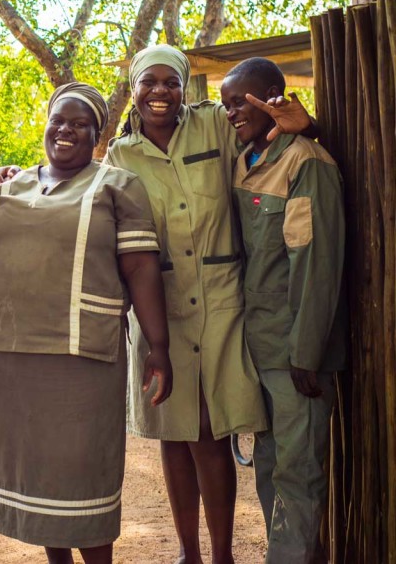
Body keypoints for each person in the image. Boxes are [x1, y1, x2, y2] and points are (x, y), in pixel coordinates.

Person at [104, 44, 313, 564]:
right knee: (171, 433)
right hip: (159, 310)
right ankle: (188, 552)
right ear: (133, 87)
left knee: (210, 428)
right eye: (148, 82)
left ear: (183, 87)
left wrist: (305, 124)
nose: (160, 92)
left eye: (170, 82)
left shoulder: (214, 125)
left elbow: (269, 133)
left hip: (221, 301)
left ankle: (221, 554)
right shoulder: (120, 156)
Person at [0, 82, 173, 564]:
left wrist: (158, 346)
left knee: (83, 474)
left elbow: (141, 267)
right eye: (58, 121)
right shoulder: (13, 184)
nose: (66, 130)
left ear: (96, 136)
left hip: (82, 356)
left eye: (80, 124)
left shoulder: (117, 186)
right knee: (40, 474)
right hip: (13, 356)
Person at [223, 58, 345, 564]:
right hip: (260, 348)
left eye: (241, 100)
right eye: (226, 103)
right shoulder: (245, 158)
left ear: (273, 96)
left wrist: (306, 351)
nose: (232, 112)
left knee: (298, 474)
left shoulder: (305, 162)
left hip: (297, 357)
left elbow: (315, 261)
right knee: (271, 466)